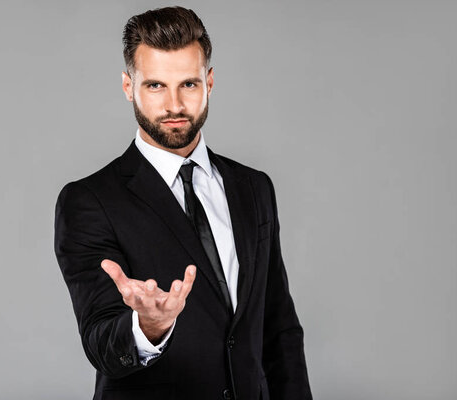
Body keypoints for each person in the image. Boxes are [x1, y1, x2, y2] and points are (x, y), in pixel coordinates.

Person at [54, 6, 312, 400]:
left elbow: (278, 328)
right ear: (128, 86)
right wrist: (149, 326)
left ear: (209, 82)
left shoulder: (253, 187)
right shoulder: (89, 201)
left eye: (188, 84)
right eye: (155, 85)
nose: (174, 105)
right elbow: (101, 343)